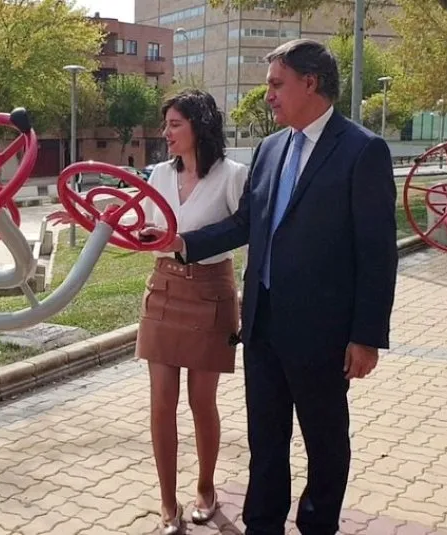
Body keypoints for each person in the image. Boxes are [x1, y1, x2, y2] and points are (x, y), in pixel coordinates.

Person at [141, 39, 398, 535]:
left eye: (277, 86)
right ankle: (262, 523)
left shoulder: (362, 150)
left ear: (311, 83)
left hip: (323, 333)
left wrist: (366, 336)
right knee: (266, 438)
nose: (268, 98)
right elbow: (245, 224)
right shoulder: (271, 148)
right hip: (262, 327)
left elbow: (377, 252)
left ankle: (318, 522)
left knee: (324, 440)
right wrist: (180, 241)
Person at [134, 88, 249, 534]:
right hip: (163, 290)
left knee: (202, 402)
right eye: (165, 125)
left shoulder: (232, 175)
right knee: (162, 402)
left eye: (174, 124)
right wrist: (93, 219)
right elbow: (139, 221)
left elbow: (243, 230)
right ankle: (167, 502)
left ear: (199, 126)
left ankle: (205, 486)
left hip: (210, 292)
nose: (166, 134)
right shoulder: (159, 174)